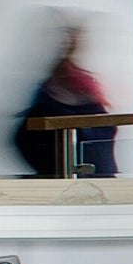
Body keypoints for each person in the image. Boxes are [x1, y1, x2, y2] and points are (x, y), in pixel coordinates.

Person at [13, 14, 117, 178]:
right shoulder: (48, 95)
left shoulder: (86, 86)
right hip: (71, 187)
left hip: (102, 186)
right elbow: (24, 140)